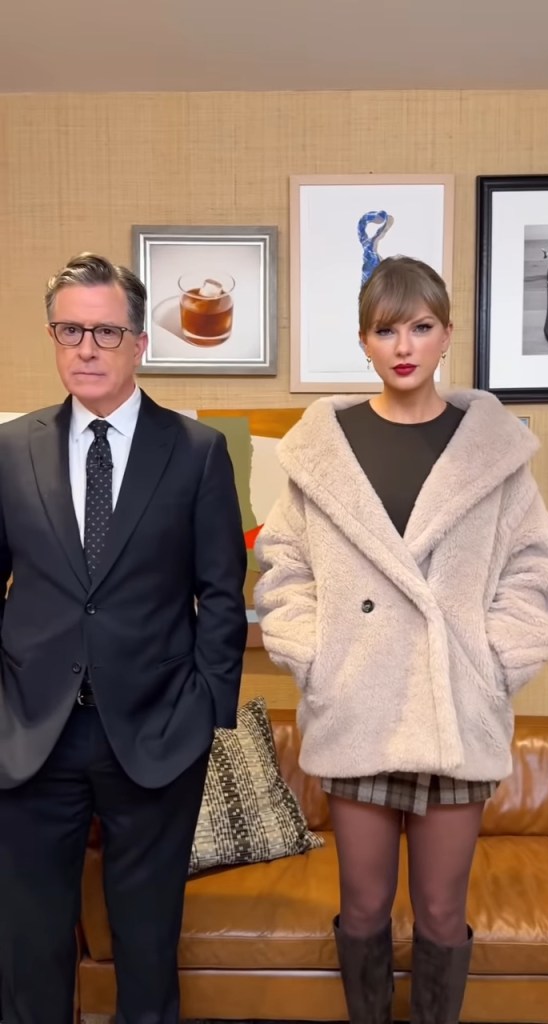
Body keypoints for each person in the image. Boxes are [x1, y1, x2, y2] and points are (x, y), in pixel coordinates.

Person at [254, 256, 548, 1024]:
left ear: (447, 334)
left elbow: (538, 567)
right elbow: (284, 566)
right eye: (386, 328)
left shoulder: (490, 449)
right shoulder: (320, 449)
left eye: (421, 326)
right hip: (357, 703)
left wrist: (492, 661)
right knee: (363, 911)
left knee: (438, 912)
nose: (405, 344)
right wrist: (315, 654)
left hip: (454, 709)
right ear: (363, 341)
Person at [0, 253, 247, 1024]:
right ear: (53, 337)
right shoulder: (11, 449)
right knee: (29, 955)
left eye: (106, 330)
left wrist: (206, 714)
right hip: (30, 733)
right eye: (70, 330)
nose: (87, 347)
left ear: (140, 342)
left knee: (145, 954)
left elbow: (221, 595)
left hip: (156, 735)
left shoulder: (198, 451)